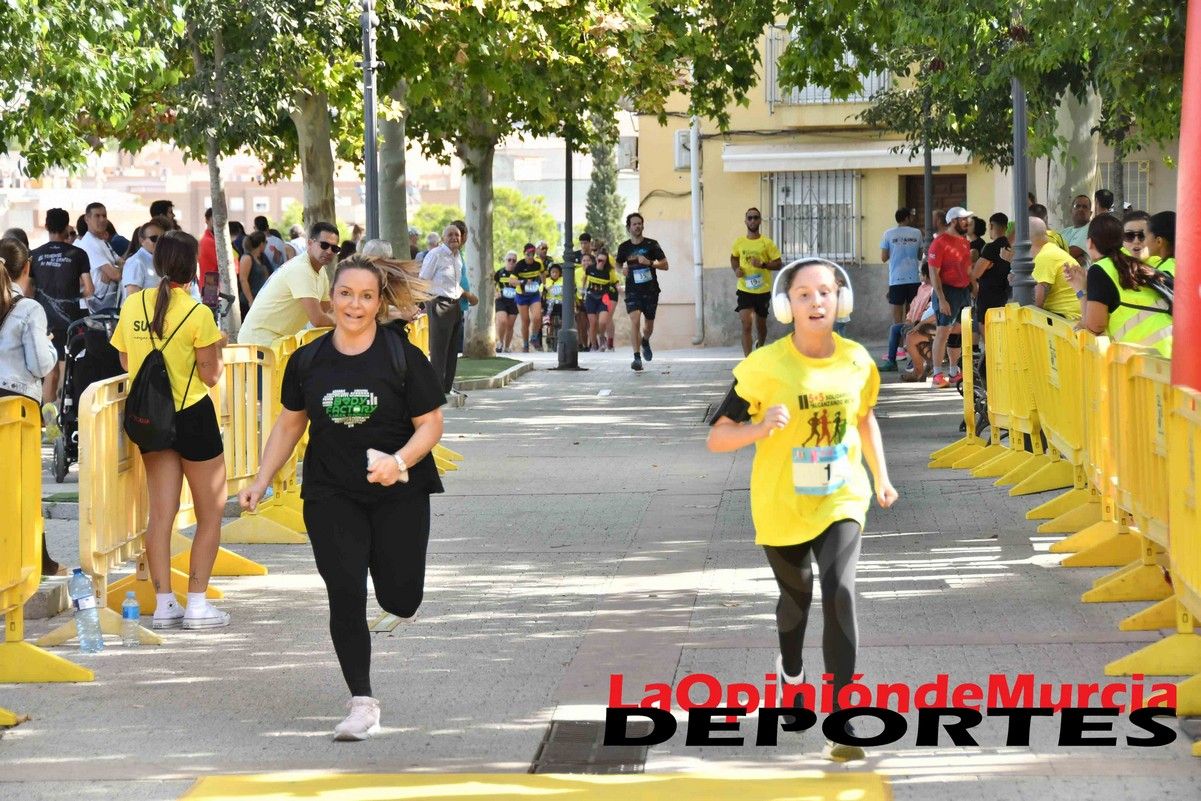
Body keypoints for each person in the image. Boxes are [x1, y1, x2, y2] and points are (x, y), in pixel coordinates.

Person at [239, 254, 444, 741]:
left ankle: (389, 577)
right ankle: (362, 702)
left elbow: (431, 425)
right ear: (330, 299)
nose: (355, 304)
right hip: (331, 493)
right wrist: (261, 479)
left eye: (366, 296)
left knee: (400, 597)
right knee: (346, 591)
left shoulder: (401, 357)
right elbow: (290, 424)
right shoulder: (307, 361)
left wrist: (399, 462)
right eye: (346, 294)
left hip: (398, 493)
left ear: (378, 303)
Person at [706, 258, 897, 763]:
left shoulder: (857, 360)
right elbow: (717, 437)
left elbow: (864, 418)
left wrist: (881, 477)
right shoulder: (762, 366)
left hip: (842, 497)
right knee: (797, 601)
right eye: (804, 294)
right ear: (785, 305)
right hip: (782, 504)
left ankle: (841, 719)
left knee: (840, 593)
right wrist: (758, 428)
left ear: (842, 300)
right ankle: (791, 673)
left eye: (826, 292)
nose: (817, 302)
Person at [110, 231, 230, 630]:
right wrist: (219, 346)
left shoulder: (133, 304)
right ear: (193, 268)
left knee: (160, 514)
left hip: (152, 419)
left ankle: (164, 604)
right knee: (210, 512)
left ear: (158, 263)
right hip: (193, 415)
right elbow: (210, 376)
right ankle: (197, 603)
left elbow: (126, 360)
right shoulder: (198, 313)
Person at [0, 238, 61, 574]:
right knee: (23, 483)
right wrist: (50, 348)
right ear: (26, 268)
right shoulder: (29, 309)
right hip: (17, 406)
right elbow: (39, 364)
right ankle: (36, 559)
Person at [1064, 214, 1171, 357]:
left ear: (1090, 243)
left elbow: (1095, 327)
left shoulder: (1100, 269)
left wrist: (1080, 290)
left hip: (1148, 359)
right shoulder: (1133, 263)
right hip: (1167, 353)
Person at [30, 208, 94, 407]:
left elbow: (27, 290)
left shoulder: (34, 255)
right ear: (67, 227)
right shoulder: (78, 254)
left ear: (46, 226)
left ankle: (48, 417)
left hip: (42, 321)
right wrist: (74, 297)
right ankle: (67, 412)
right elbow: (90, 289)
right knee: (70, 369)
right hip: (70, 322)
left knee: (50, 372)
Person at [237, 222, 338, 346]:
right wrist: (344, 322)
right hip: (259, 341)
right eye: (324, 245)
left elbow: (327, 311)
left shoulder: (321, 272)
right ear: (310, 243)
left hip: (278, 342)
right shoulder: (301, 269)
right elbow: (318, 319)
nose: (329, 251)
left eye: (334, 248)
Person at [927, 207, 974, 388]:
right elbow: (933, 273)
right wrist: (941, 298)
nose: (967, 222)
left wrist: (974, 288)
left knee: (959, 331)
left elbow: (968, 269)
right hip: (947, 292)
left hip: (963, 292)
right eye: (963, 219)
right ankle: (937, 374)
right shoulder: (939, 243)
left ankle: (954, 372)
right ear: (953, 221)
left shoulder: (965, 242)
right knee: (943, 332)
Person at [617, 213, 668, 372]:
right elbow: (618, 265)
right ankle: (636, 357)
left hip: (651, 290)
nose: (637, 226)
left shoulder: (652, 244)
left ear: (643, 226)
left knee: (648, 327)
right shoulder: (624, 247)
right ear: (628, 227)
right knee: (634, 320)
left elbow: (665, 265)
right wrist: (622, 269)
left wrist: (650, 263)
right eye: (634, 224)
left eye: (640, 223)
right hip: (633, 291)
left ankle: (645, 341)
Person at [731, 207, 783, 356]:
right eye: (750, 218)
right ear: (745, 221)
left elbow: (778, 264)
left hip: (762, 290)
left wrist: (763, 265)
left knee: (761, 326)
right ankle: (748, 360)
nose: (752, 220)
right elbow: (734, 257)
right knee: (746, 324)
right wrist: (736, 269)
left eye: (755, 217)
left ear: (760, 221)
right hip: (744, 289)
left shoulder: (767, 243)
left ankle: (760, 345)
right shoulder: (739, 242)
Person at [419, 224, 465, 392]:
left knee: (453, 349)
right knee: (439, 350)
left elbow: (455, 283)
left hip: (455, 305)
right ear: (443, 238)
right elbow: (423, 279)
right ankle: (436, 389)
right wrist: (427, 303)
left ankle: (447, 387)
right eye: (450, 235)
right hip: (439, 304)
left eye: (457, 235)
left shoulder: (458, 256)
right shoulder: (435, 254)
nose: (454, 238)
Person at [878, 208, 923, 369]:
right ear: (907, 217)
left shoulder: (888, 234)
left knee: (897, 318)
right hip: (914, 279)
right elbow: (919, 256)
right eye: (911, 216)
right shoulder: (917, 233)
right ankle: (911, 347)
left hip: (896, 279)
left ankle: (899, 350)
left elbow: (883, 257)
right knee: (913, 315)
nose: (913, 218)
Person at [1030, 217, 1081, 320]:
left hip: (1066, 318)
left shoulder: (1044, 257)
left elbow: (1036, 303)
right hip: (1074, 316)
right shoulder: (1051, 250)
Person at [77, 202, 124, 313]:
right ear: (87, 219)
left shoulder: (101, 241)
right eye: (97, 216)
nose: (102, 220)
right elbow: (115, 275)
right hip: (97, 306)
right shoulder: (89, 243)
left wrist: (114, 268)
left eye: (104, 216)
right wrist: (115, 269)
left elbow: (122, 262)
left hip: (108, 302)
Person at [970, 213, 1010, 340]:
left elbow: (976, 273)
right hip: (1004, 295)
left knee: (988, 335)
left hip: (988, 297)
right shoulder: (1010, 246)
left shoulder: (991, 248)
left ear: (991, 225)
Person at [121, 217, 171, 301]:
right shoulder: (136, 262)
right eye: (154, 238)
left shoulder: (158, 260)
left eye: (162, 239)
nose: (158, 242)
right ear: (142, 241)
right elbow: (132, 297)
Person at [511, 244, 545, 353]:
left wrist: (544, 284)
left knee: (537, 317)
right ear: (524, 254)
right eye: (528, 254)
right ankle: (525, 345)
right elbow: (511, 281)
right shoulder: (519, 265)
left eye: (532, 254)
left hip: (534, 294)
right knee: (525, 321)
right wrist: (523, 281)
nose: (530, 257)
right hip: (522, 295)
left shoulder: (538, 264)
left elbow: (543, 273)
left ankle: (534, 337)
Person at [582, 252, 618, 352]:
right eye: (599, 260)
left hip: (604, 297)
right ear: (596, 260)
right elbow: (584, 278)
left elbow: (615, 282)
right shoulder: (590, 268)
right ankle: (594, 346)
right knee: (593, 323)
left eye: (603, 261)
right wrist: (583, 290)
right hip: (591, 297)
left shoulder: (609, 271)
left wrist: (618, 288)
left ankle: (602, 337)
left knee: (603, 321)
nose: (601, 262)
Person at [237, 231, 272, 317]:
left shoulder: (260, 259)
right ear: (261, 244)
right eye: (266, 242)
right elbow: (243, 280)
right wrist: (250, 301)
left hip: (260, 301)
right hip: (249, 302)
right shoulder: (247, 258)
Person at [494, 251, 519, 353]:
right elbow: (492, 284)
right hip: (501, 300)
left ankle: (507, 347)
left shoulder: (519, 274)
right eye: (509, 260)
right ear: (505, 261)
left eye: (514, 260)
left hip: (514, 301)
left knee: (510, 325)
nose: (511, 262)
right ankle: (500, 342)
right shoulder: (499, 272)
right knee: (502, 321)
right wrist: (495, 293)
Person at [1060, 195, 1092, 261]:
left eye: (1085, 207)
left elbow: (1071, 253)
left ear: (1090, 213)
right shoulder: (1063, 232)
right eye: (1077, 206)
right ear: (1071, 211)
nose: (1081, 209)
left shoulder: (1091, 230)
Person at [1146, 211, 1175, 276]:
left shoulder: (1166, 271)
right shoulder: (1178, 263)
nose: (1143, 242)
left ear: (1159, 241)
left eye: (1145, 236)